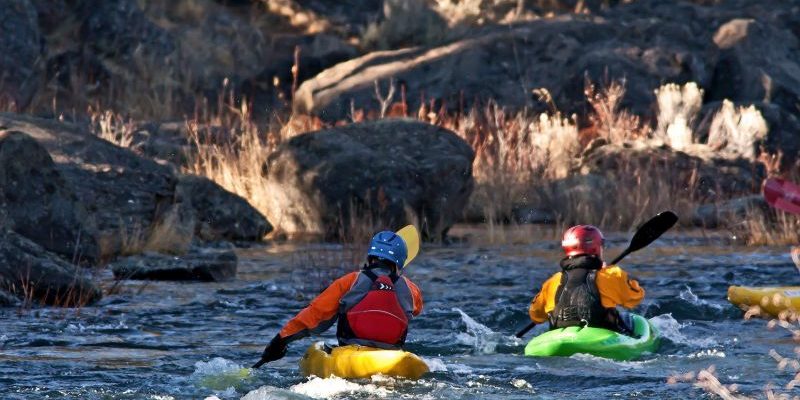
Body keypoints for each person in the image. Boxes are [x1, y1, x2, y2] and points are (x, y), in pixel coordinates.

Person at [256, 230, 423, 365]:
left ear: (370, 257)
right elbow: (417, 309)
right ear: (399, 262)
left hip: (351, 353)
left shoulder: (350, 281)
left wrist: (279, 342)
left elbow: (315, 315)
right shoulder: (411, 289)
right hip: (392, 356)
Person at [528, 225, 645, 335]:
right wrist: (617, 276)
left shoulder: (552, 282)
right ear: (596, 248)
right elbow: (635, 297)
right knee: (628, 319)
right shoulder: (611, 275)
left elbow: (535, 315)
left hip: (561, 337)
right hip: (601, 334)